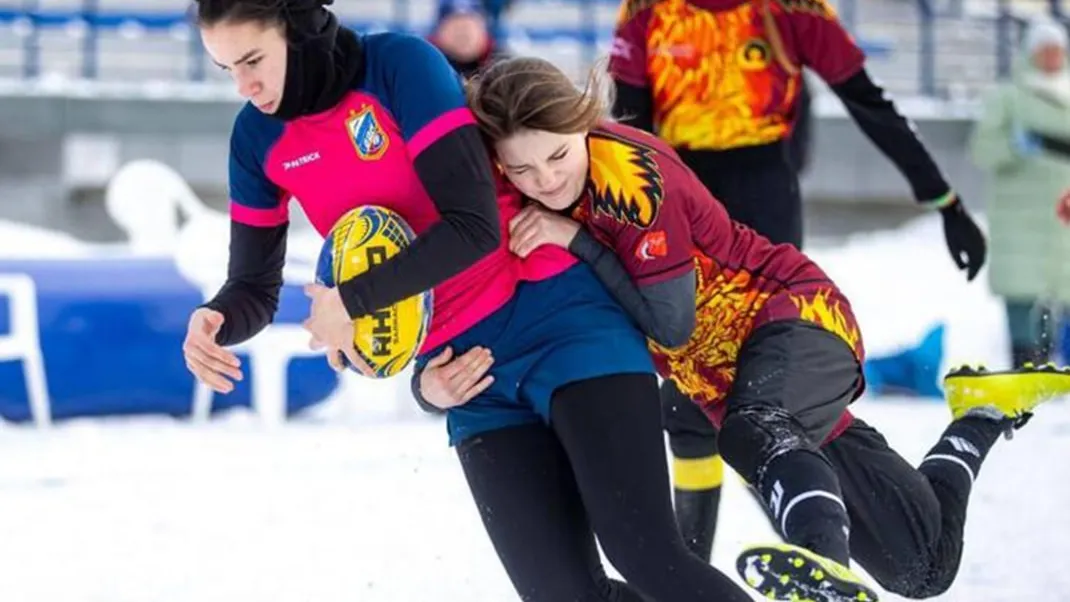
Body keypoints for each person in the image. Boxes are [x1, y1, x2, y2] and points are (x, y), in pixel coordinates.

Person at [419, 56, 1070, 602]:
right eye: (521, 170)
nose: (545, 180)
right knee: (920, 567)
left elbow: (671, 326)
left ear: (582, 124)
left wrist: (577, 242)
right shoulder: (529, 182)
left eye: (558, 156)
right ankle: (980, 414)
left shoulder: (633, 179)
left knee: (751, 430)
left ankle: (824, 576)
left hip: (792, 316)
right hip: (730, 380)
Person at [179, 2, 753, 600]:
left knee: (646, 555)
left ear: (298, 32)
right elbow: (255, 287)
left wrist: (351, 301)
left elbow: (473, 227)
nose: (244, 86)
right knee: (564, 595)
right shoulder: (256, 138)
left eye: (253, 60)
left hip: (564, 322)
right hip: (466, 376)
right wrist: (217, 319)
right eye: (227, 69)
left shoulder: (398, 66)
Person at [608, 0, 989, 565]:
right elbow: (627, 127)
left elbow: (865, 99)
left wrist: (943, 199)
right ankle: (693, 573)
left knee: (757, 396)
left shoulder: (789, 7)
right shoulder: (647, 11)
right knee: (687, 401)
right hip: (679, 190)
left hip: (763, 191)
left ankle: (817, 550)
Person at [969, 16, 1070, 368]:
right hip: (1019, 220)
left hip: (1062, 218)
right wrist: (1014, 147)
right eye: (1044, 50)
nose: (1051, 57)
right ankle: (1025, 367)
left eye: (1057, 50)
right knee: (1023, 300)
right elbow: (982, 150)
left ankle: (1054, 368)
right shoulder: (1009, 97)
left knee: (1060, 295)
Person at [428, 0, 502, 79]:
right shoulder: (428, 62)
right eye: (456, 27)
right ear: (440, 31)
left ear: (483, 29)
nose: (463, 33)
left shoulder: (502, 62)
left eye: (469, 26)